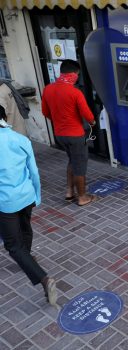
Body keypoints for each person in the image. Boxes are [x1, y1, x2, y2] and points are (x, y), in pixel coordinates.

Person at [0, 114, 57, 305]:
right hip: (27, 195)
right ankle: (28, 257)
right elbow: (33, 171)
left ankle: (43, 278)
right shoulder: (20, 139)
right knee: (25, 228)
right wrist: (37, 196)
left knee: (13, 245)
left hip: (5, 202)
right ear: (5, 117)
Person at [42, 60, 98, 206]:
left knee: (72, 160)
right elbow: (87, 114)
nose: (77, 77)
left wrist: (60, 121)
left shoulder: (48, 89)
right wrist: (93, 123)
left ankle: (69, 192)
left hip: (60, 134)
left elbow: (45, 112)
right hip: (75, 134)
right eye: (77, 75)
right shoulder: (75, 92)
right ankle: (82, 197)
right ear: (74, 73)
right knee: (79, 164)